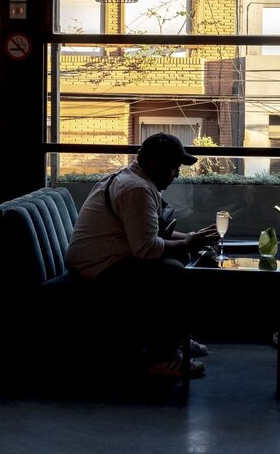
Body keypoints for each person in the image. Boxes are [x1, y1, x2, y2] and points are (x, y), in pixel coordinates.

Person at [65, 132, 218, 378]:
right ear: (156, 162)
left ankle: (175, 339)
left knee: (181, 257)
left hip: (106, 257)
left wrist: (191, 239)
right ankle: (162, 358)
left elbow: (150, 232)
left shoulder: (135, 180)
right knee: (174, 273)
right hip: (97, 265)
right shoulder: (136, 189)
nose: (177, 174)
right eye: (174, 167)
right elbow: (147, 248)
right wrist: (189, 242)